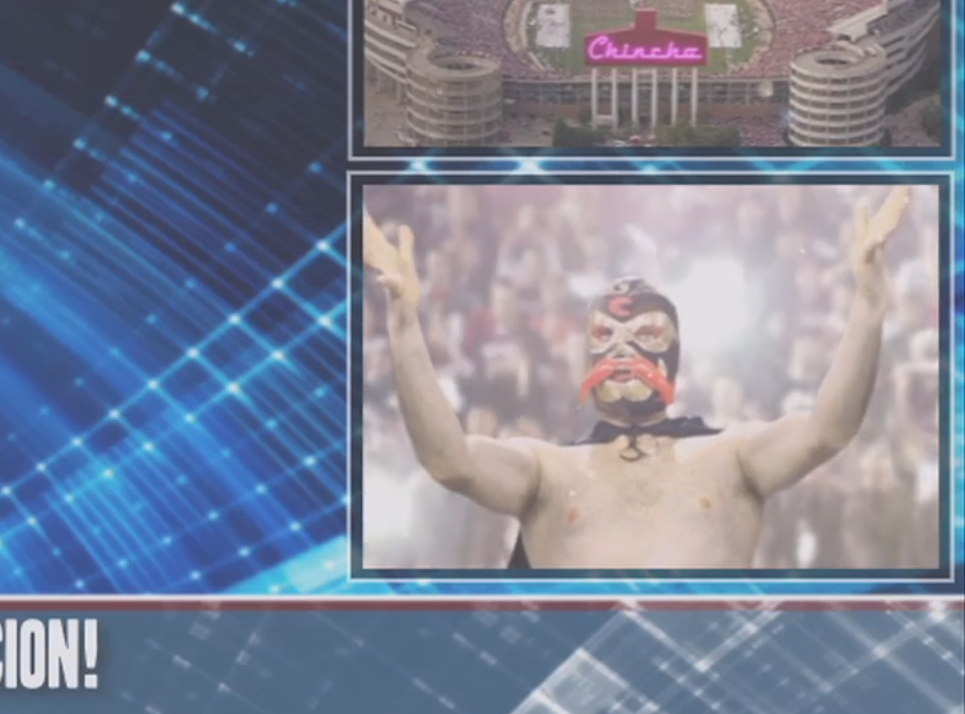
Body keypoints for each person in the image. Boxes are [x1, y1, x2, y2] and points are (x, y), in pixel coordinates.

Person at [358, 186, 909, 570]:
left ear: (674, 351)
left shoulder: (730, 455)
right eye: (606, 336)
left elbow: (827, 431)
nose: (622, 349)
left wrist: (868, 308)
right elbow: (450, 462)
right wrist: (404, 326)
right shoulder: (548, 468)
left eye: (644, 333)